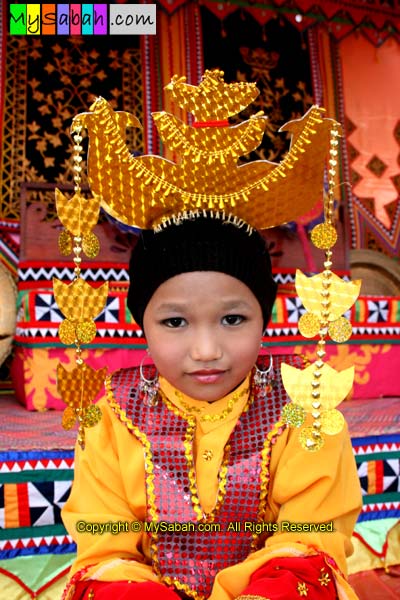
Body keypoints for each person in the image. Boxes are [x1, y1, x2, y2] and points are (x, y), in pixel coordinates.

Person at [61, 213, 362, 600]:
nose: (206, 351)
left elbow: (311, 541)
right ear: (142, 324)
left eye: (233, 318)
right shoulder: (112, 417)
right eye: (175, 322)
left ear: (264, 319)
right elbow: (104, 550)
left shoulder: (304, 405)